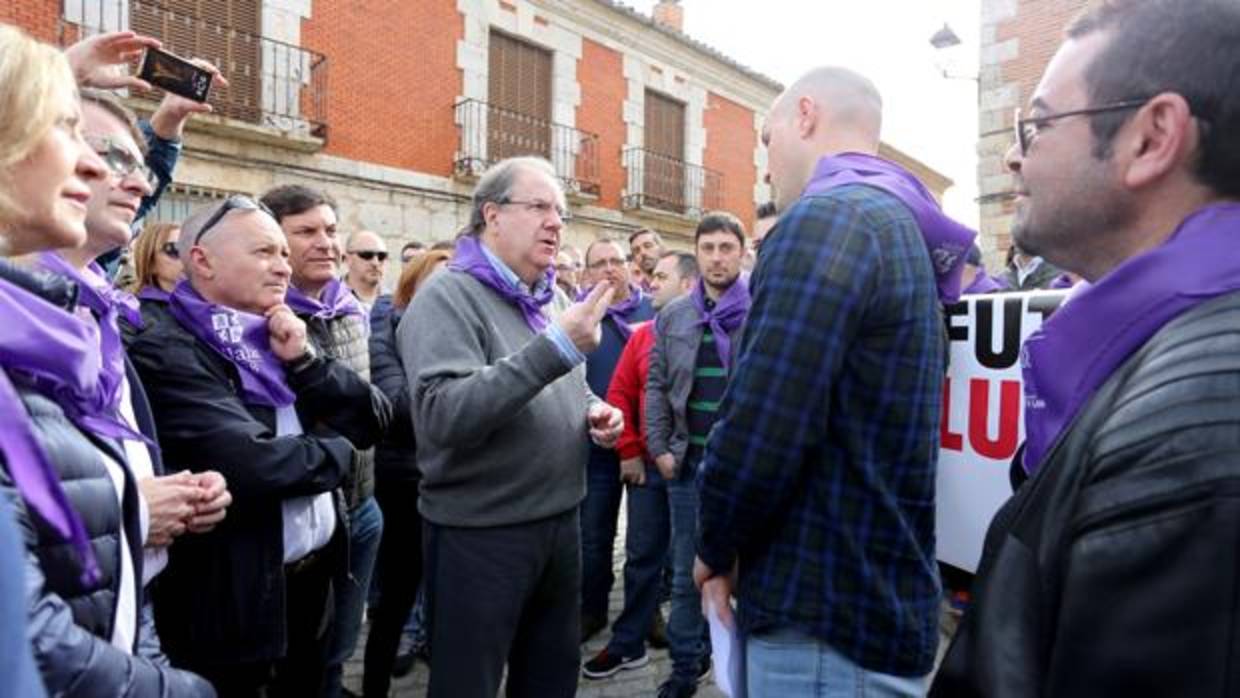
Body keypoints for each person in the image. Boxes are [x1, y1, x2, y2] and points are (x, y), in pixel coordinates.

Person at [933, 2, 1240, 695]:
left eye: (1039, 123)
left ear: (1151, 137)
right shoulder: (1165, 366)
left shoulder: (1194, 431)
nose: (1015, 152)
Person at [694, 66, 958, 698]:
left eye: (765, 139)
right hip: (868, 603)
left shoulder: (827, 221)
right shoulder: (898, 226)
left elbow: (763, 424)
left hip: (823, 617)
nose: (764, 167)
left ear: (805, 115)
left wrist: (714, 544)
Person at [0, 23, 213, 696]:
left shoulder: (70, 300)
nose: (101, 174)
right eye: (67, 135)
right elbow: (30, 639)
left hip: (123, 609)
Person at [129, 197, 390, 697]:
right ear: (202, 261)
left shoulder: (284, 326)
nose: (282, 265)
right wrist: (342, 450)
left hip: (315, 586)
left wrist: (307, 362)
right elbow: (258, 464)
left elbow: (375, 416)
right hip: (237, 602)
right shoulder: (165, 345)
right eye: (264, 252)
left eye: (283, 255)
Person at [399, 156, 623, 698]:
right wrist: (558, 347)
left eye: (561, 212)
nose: (556, 222)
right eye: (540, 207)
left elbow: (556, 382)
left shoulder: (552, 298)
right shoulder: (446, 297)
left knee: (550, 678)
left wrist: (592, 408)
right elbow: (443, 415)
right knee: (467, 684)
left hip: (558, 521)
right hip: (481, 532)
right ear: (492, 215)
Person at [258, 184, 384, 698]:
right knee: (298, 653)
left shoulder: (349, 307)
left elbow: (369, 407)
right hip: (306, 520)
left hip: (364, 506)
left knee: (341, 641)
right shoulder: (261, 319)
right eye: (306, 231)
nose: (325, 243)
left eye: (331, 230)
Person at [645, 212, 750, 698]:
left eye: (726, 248)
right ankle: (687, 667)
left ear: (742, 253)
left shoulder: (763, 308)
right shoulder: (673, 315)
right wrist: (659, 447)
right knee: (688, 573)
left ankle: (747, 669)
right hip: (687, 467)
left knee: (747, 572)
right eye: (707, 248)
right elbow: (657, 383)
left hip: (744, 471)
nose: (716, 258)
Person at [582, 250, 698, 680]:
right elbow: (620, 392)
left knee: (689, 564)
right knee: (641, 556)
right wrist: (630, 450)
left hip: (695, 473)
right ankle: (629, 641)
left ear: (688, 285)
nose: (649, 282)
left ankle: (694, 651)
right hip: (648, 472)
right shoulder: (643, 335)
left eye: (660, 276)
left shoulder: (716, 334)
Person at [362, 248, 450, 697]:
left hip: (457, 486)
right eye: (436, 284)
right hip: (405, 484)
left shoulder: (462, 333)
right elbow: (398, 408)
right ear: (412, 287)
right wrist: (463, 406)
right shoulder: (385, 327)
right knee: (394, 601)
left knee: (451, 606)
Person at [579, 237, 655, 642]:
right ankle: (591, 610)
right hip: (594, 447)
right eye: (599, 263)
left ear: (630, 265)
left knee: (646, 541)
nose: (609, 268)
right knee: (593, 537)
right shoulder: (579, 315)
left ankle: (647, 613)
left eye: (616, 260)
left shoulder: (654, 311)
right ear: (588, 273)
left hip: (645, 445)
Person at [343, 229, 389, 312]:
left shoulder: (395, 303)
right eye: (366, 255)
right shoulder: (330, 299)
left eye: (381, 256)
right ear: (347, 259)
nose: (375, 263)